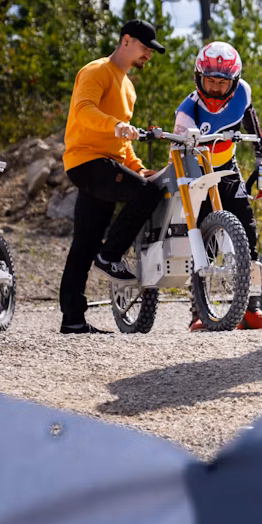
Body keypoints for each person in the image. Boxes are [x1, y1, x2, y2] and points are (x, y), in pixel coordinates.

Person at [58, 20, 166, 335]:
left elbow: (123, 142)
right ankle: (110, 256)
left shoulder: (128, 87)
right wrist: (114, 125)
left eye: (151, 51)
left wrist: (137, 166)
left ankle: (73, 320)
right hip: (87, 161)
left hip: (107, 165)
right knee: (147, 193)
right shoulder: (96, 71)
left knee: (84, 244)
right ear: (126, 41)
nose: (148, 55)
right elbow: (83, 110)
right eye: (145, 48)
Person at [174, 41, 262, 331]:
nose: (216, 89)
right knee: (202, 238)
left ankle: (251, 310)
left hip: (227, 169)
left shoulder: (243, 91)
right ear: (198, 78)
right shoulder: (187, 112)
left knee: (247, 231)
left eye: (223, 83)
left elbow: (250, 118)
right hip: (195, 172)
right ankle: (199, 312)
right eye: (210, 81)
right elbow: (178, 155)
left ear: (234, 81)